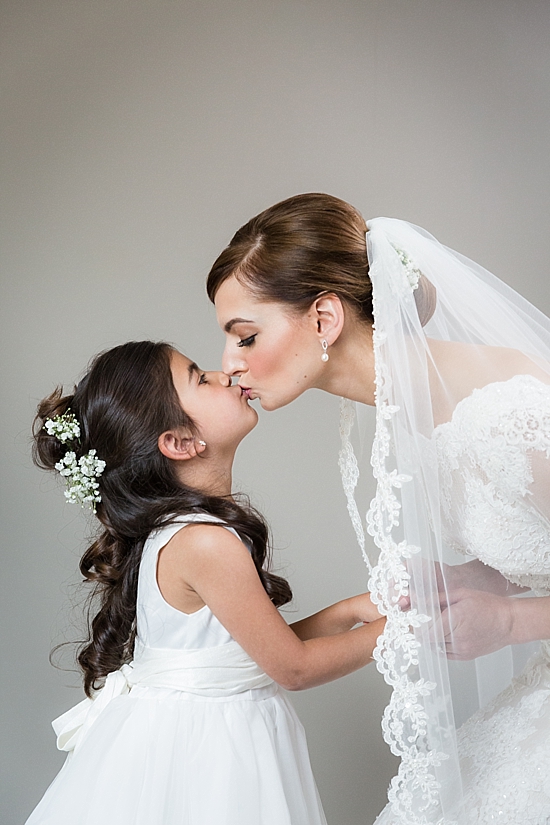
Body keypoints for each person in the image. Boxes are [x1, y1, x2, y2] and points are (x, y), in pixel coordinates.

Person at [207, 193, 550, 825]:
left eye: (246, 336)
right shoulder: (414, 408)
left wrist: (506, 623)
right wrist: (473, 579)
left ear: (324, 318)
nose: (228, 365)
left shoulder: (503, 416)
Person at [26, 339, 386, 825]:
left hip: (190, 731)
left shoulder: (178, 530)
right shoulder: (204, 542)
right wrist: (407, 632)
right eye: (199, 377)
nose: (223, 374)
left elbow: (244, 656)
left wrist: (348, 613)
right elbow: (293, 668)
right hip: (211, 751)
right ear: (179, 441)